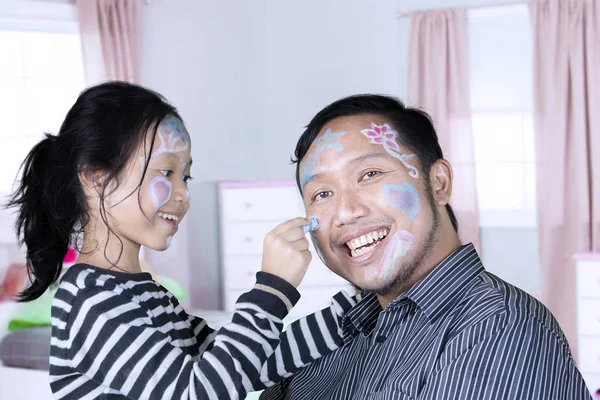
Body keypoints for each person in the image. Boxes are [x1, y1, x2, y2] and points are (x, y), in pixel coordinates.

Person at [7, 81, 358, 399]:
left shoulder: (148, 294)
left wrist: (353, 310)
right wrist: (272, 289)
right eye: (166, 173)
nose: (182, 195)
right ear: (97, 179)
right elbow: (199, 393)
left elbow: (247, 364)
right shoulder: (90, 299)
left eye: (185, 177)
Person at [261, 94, 592, 399]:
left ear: (439, 183)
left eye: (370, 174)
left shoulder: (498, 328)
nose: (346, 212)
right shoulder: (332, 335)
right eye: (322, 194)